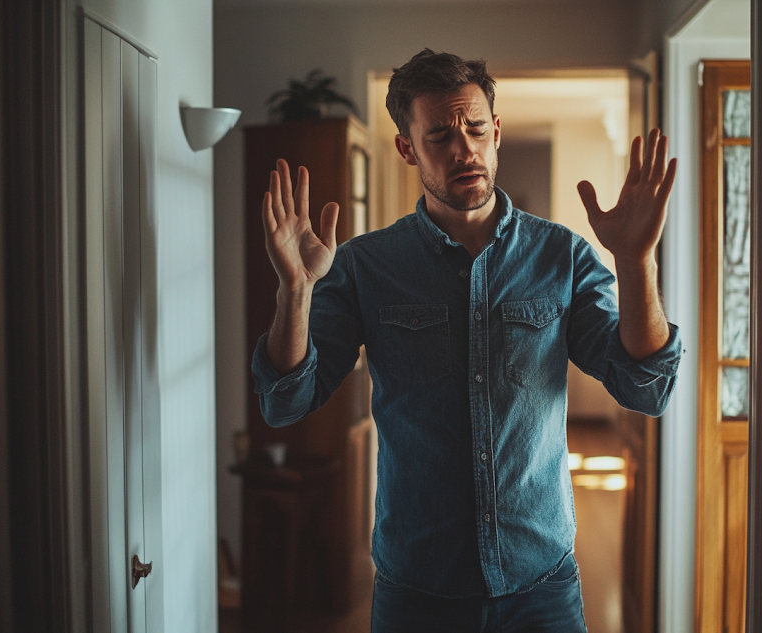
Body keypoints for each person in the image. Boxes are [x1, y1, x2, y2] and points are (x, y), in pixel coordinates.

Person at [251, 48, 682, 633]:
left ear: (496, 131)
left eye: (477, 128)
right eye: (439, 137)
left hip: (542, 589)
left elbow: (645, 387)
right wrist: (295, 291)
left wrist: (635, 262)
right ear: (407, 147)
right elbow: (286, 401)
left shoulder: (563, 256)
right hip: (417, 590)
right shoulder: (364, 267)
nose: (465, 149)